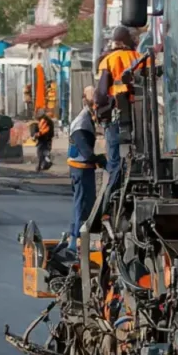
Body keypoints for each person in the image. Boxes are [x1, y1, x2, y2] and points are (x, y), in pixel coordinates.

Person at [94, 26, 140, 189]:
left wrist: (99, 112)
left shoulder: (109, 60)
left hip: (115, 115)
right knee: (136, 155)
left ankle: (113, 194)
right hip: (138, 115)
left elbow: (101, 93)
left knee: (115, 160)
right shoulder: (139, 57)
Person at [66, 86, 104, 251]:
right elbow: (84, 149)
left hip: (84, 169)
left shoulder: (87, 118)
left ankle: (80, 238)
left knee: (87, 204)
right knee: (81, 204)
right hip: (80, 169)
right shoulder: (81, 122)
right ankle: (75, 242)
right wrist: (98, 159)